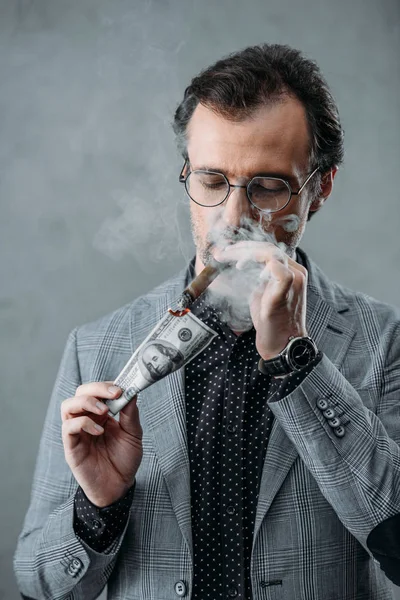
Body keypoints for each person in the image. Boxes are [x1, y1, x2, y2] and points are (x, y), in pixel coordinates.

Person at [14, 44, 400, 600]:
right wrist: (97, 507)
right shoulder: (97, 347)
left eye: (267, 186)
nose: (234, 219)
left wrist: (299, 364)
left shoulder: (383, 343)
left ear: (320, 188)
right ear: (187, 174)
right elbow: (38, 583)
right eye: (213, 181)